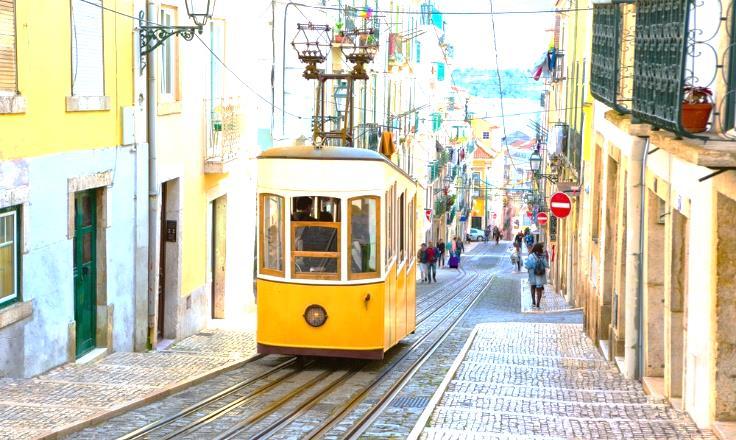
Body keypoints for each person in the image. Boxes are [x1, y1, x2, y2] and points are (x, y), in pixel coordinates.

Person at [524, 242, 549, 308]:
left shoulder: (531, 256)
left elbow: (527, 266)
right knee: (539, 289)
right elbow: (546, 265)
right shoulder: (542, 256)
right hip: (540, 275)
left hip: (532, 274)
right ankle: (538, 303)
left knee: (532, 287)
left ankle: (533, 302)